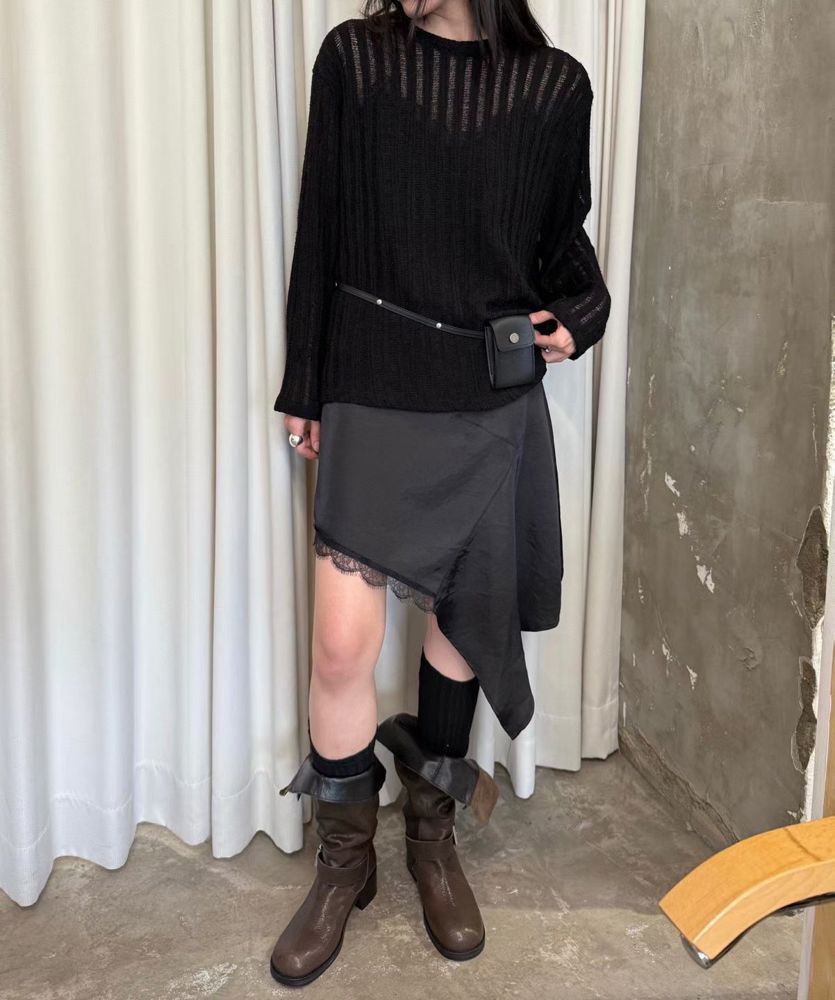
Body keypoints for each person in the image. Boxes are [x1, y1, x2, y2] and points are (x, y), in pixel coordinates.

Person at [269, 0, 611, 987]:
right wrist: (305, 386)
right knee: (342, 646)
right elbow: (321, 233)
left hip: (488, 398)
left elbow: (562, 249)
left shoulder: (555, 86)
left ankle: (432, 840)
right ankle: (343, 863)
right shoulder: (355, 60)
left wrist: (582, 315)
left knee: (459, 631)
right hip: (372, 383)